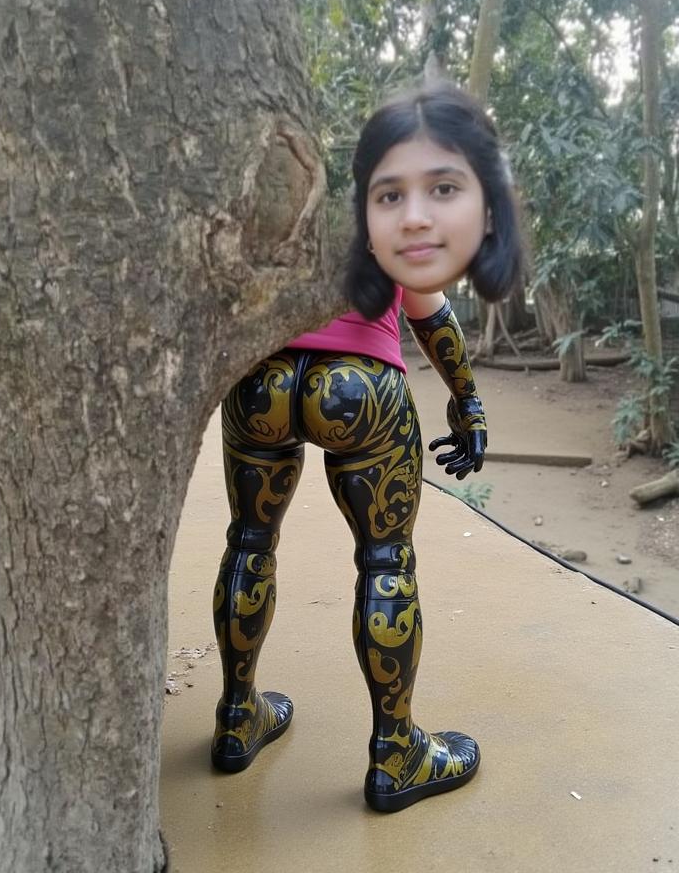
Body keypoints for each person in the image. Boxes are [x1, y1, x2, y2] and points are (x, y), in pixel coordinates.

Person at [210, 81, 519, 812]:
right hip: (360, 392)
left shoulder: (276, 211)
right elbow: (432, 315)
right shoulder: (389, 226)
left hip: (264, 382)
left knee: (249, 541)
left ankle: (235, 718)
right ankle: (397, 752)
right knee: (386, 560)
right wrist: (467, 400)